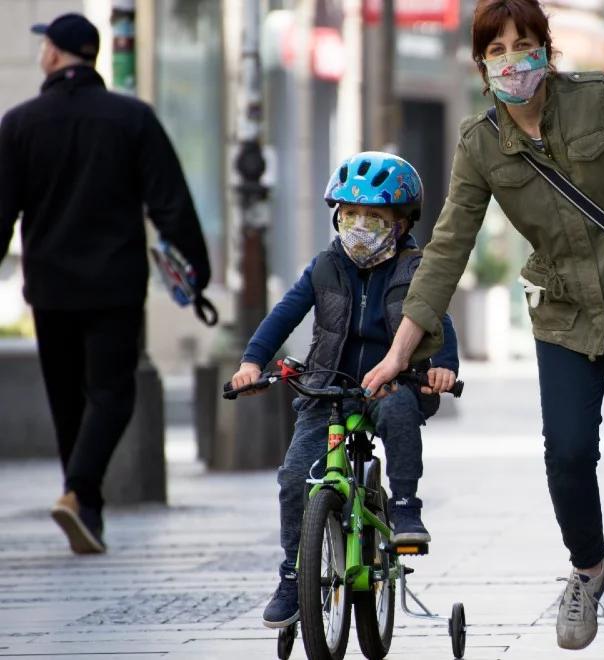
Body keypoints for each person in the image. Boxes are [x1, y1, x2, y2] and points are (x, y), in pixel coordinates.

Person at [358, 3, 604, 658]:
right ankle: (590, 567)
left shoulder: (599, 101)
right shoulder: (481, 146)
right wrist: (400, 349)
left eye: (525, 44)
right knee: (565, 452)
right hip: (563, 313)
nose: (514, 59)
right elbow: (448, 248)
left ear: (546, 50)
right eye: (499, 49)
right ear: (482, 66)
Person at [0, 13, 211, 554]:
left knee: (68, 400)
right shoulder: (132, 119)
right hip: (114, 285)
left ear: (54, 54)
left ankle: (83, 505)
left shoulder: (19, 124)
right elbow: (171, 203)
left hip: (49, 288)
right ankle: (78, 496)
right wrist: (196, 271)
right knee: (112, 395)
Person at [227, 152, 460, 629]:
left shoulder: (416, 269)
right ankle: (293, 575)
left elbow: (439, 320)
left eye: (374, 216)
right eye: (350, 214)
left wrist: (444, 369)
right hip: (326, 387)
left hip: (392, 382)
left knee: (398, 414)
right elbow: (284, 315)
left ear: (400, 222)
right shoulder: (325, 267)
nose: (359, 225)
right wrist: (252, 363)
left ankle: (405, 507)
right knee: (295, 476)